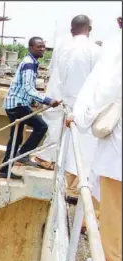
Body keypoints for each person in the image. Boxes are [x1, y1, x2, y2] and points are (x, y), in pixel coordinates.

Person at [67, 17, 122, 261]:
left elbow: (103, 93)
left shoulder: (116, 49)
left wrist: (81, 118)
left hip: (117, 151)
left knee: (115, 208)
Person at [35, 15, 101, 180]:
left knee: (56, 128)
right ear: (90, 29)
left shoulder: (62, 47)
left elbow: (53, 71)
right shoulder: (95, 50)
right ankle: (68, 168)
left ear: (72, 29)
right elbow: (98, 80)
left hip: (59, 95)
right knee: (77, 138)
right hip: (81, 102)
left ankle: (52, 159)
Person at [0, 37, 62, 179]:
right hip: (17, 105)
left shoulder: (31, 62)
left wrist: (34, 101)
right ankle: (22, 155)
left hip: (16, 104)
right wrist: (47, 100)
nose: (42, 49)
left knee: (16, 138)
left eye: (44, 47)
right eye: (39, 46)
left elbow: (26, 87)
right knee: (41, 127)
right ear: (31, 47)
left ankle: (4, 169)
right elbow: (28, 88)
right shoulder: (29, 64)